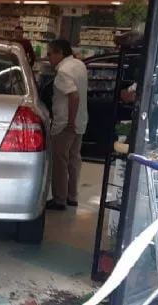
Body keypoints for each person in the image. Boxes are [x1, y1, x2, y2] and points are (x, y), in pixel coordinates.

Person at [46, 39, 88, 211]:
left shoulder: (63, 71)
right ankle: (72, 196)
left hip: (65, 123)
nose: (48, 58)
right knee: (73, 159)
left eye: (50, 54)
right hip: (81, 121)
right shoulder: (79, 65)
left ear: (59, 53)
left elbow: (74, 96)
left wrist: (69, 122)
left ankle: (59, 199)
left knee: (59, 161)